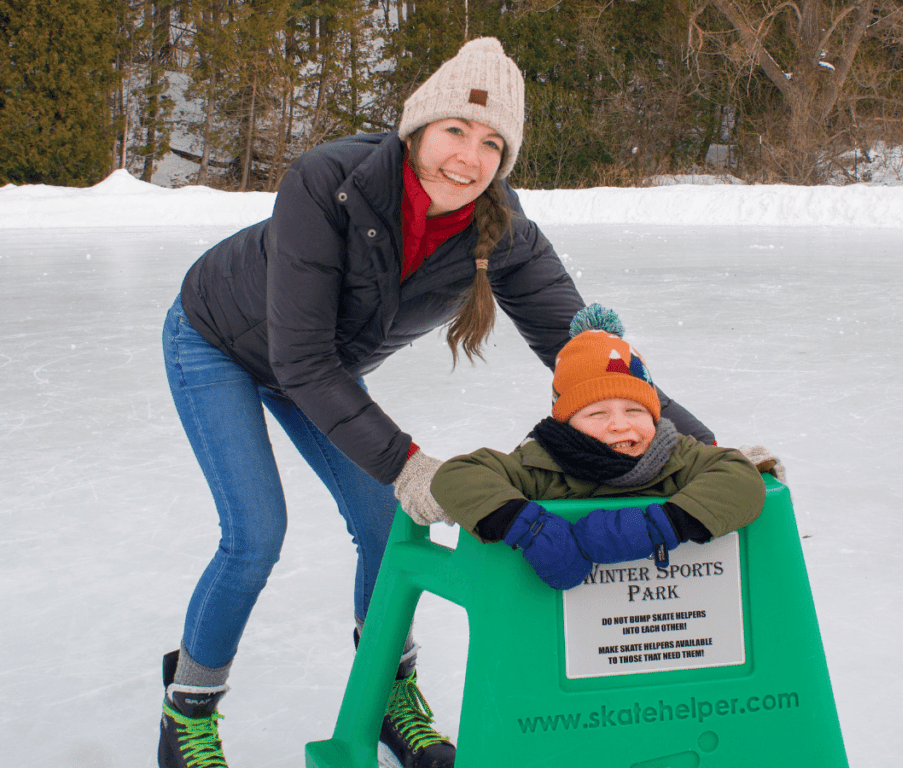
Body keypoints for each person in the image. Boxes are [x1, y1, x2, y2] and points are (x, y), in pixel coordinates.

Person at [158, 38, 720, 768]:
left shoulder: (502, 228)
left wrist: (707, 450)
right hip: (220, 342)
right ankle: (190, 712)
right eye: (455, 130)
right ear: (416, 128)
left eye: (493, 143)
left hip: (321, 365)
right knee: (256, 533)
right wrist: (408, 462)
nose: (469, 157)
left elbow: (588, 360)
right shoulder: (326, 182)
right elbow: (297, 357)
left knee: (385, 523)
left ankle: (388, 695)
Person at [431, 305, 767, 590]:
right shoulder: (542, 463)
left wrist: (658, 527)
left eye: (635, 411)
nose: (620, 424)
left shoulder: (675, 455)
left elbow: (739, 477)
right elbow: (457, 476)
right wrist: (531, 529)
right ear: (567, 422)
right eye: (597, 413)